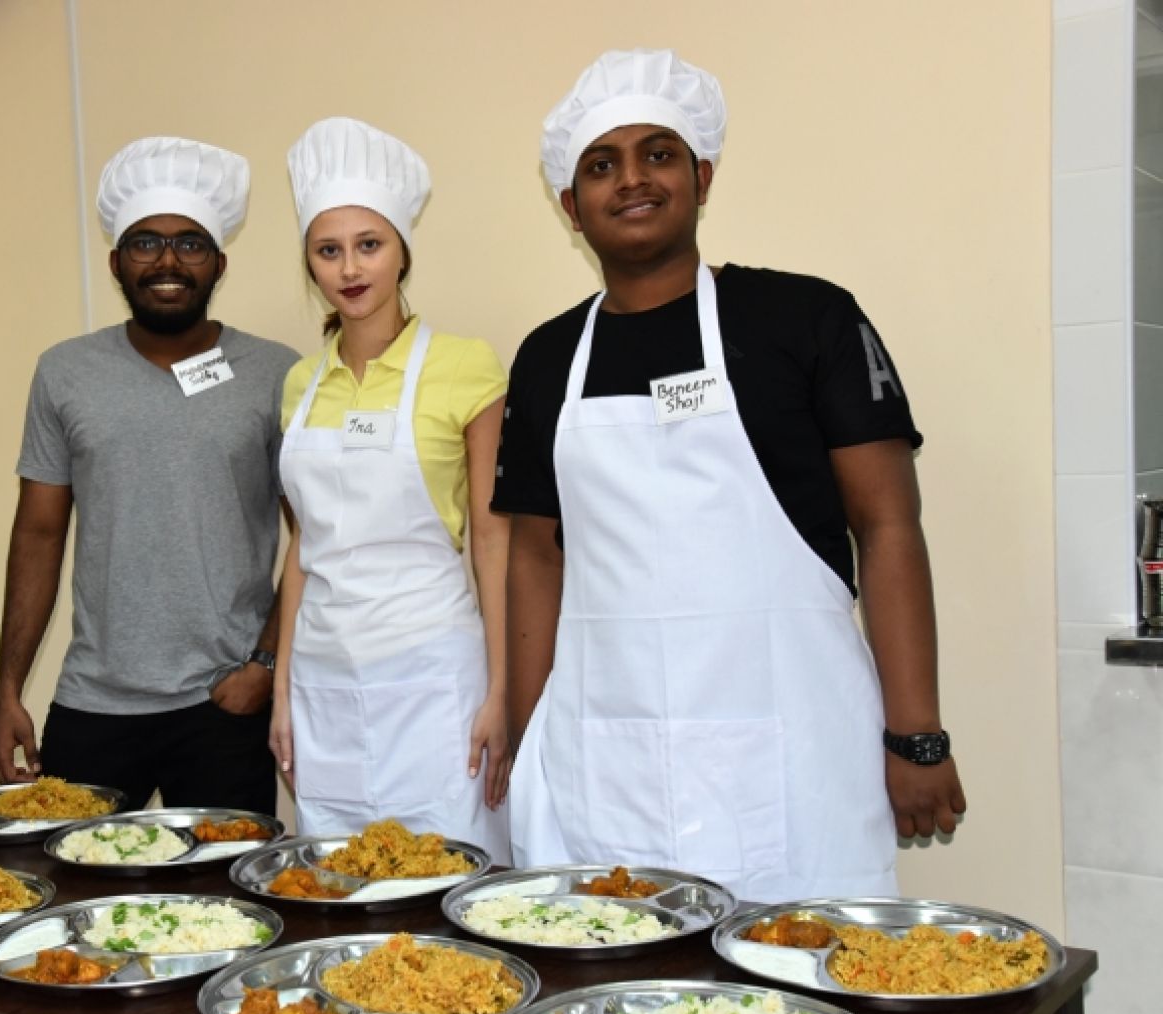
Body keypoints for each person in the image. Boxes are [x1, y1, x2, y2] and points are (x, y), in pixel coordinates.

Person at [501, 50, 967, 899]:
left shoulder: (807, 319)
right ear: (570, 206)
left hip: (793, 759)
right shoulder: (547, 358)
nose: (631, 179)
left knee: (802, 970)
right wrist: (530, 737)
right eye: (601, 165)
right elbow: (536, 555)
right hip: (605, 763)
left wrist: (917, 734)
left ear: (702, 175)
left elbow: (888, 525)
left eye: (658, 153)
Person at [0, 136, 299, 814]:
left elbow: (312, 535)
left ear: (219, 263)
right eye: (145, 243)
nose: (167, 261)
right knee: (68, 879)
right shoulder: (65, 372)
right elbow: (38, 532)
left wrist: (267, 666)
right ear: (116, 262)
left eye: (190, 244)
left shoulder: (277, 374)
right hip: (95, 702)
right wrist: (7, 689)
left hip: (224, 705)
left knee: (228, 884)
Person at [269, 117, 512, 860]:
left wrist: (502, 689)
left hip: (433, 677)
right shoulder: (300, 384)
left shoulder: (466, 367)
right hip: (323, 684)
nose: (350, 268)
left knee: (450, 876)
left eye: (369, 244)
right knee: (338, 881)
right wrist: (282, 691)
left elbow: (493, 537)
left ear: (403, 249)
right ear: (309, 262)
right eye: (328, 250)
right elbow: (303, 546)